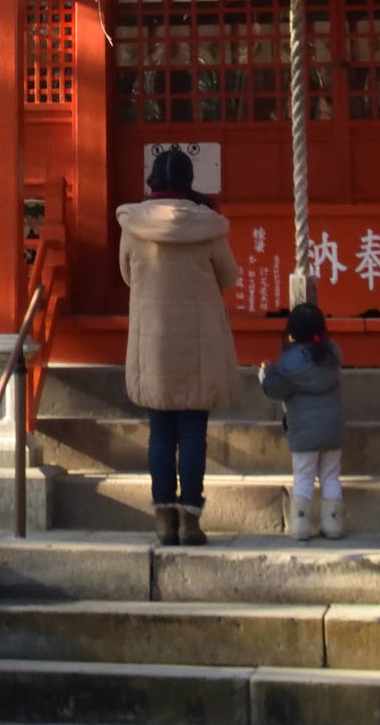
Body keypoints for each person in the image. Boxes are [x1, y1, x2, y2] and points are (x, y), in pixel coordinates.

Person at [117, 149, 240, 547]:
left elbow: (126, 274)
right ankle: (191, 520)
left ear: (153, 178)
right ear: (189, 180)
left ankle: (163, 521)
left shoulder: (133, 224)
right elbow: (229, 275)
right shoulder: (207, 225)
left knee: (159, 434)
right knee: (192, 435)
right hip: (199, 342)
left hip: (153, 341)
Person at [259, 303, 346, 541]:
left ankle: (300, 526)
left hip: (303, 433)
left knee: (304, 476)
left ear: (291, 333)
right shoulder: (332, 356)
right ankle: (334, 524)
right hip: (332, 429)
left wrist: (266, 374)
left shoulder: (289, 363)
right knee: (330, 475)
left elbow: (275, 390)